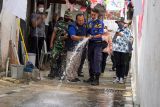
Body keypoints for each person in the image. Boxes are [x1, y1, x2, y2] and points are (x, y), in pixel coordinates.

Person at [48, 10, 72, 78]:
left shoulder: (71, 25)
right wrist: (51, 43)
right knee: (53, 57)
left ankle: (59, 72)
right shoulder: (58, 23)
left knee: (62, 60)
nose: (67, 17)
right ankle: (52, 72)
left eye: (68, 16)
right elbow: (54, 33)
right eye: (66, 16)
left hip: (65, 45)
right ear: (64, 15)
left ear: (70, 17)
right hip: (57, 44)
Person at [84, 8, 104, 85]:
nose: (92, 16)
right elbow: (87, 32)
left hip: (98, 44)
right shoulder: (89, 22)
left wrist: (93, 36)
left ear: (97, 14)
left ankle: (97, 79)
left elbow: (100, 34)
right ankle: (91, 77)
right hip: (91, 44)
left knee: (97, 60)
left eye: (94, 15)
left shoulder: (100, 23)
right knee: (90, 60)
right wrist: (88, 36)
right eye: (91, 14)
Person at [66, 13, 88, 82]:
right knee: (71, 63)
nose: (81, 22)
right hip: (72, 48)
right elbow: (73, 37)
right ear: (76, 20)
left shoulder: (84, 25)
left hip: (80, 48)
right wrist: (83, 38)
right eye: (79, 20)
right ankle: (69, 77)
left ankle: (75, 76)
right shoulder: (72, 26)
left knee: (77, 63)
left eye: (82, 20)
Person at [112, 17, 132, 84]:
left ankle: (121, 78)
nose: (118, 23)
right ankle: (117, 77)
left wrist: (122, 35)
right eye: (118, 22)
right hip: (117, 49)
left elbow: (129, 40)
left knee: (123, 64)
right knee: (117, 64)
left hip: (124, 50)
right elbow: (114, 40)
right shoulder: (117, 29)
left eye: (119, 22)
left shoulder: (128, 30)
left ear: (123, 23)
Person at [30, 1, 46, 68]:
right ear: (37, 7)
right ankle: (31, 64)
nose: (41, 8)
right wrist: (40, 19)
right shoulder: (34, 14)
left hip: (41, 36)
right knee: (34, 51)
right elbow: (34, 25)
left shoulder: (43, 15)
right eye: (40, 7)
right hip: (35, 35)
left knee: (39, 51)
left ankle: (37, 65)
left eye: (42, 7)